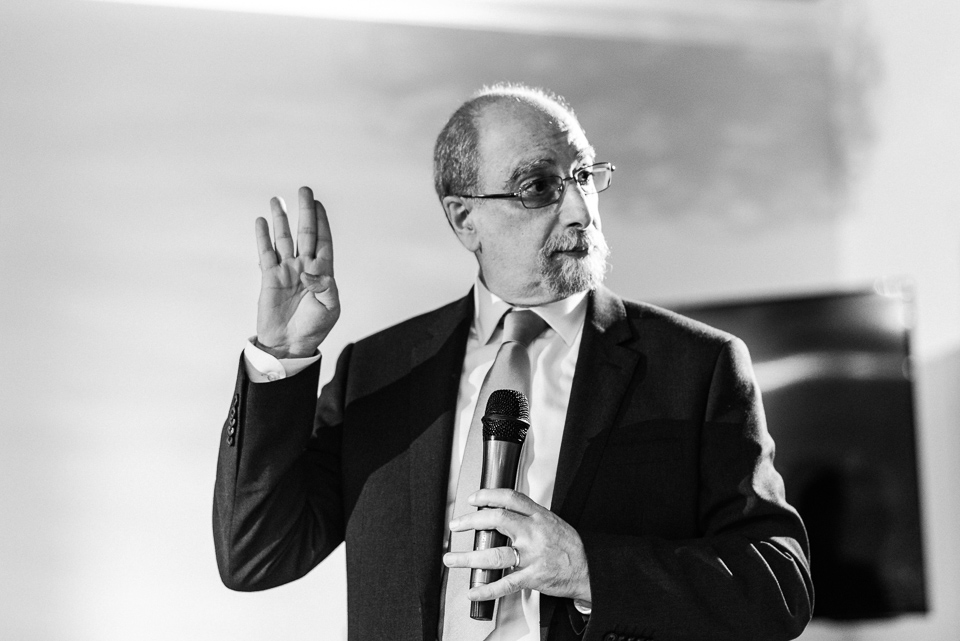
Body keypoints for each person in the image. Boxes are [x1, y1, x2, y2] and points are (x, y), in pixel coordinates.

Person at [213, 84, 813, 641]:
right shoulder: (380, 371)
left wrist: (586, 568)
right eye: (539, 188)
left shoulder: (696, 367)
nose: (580, 209)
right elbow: (256, 555)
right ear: (464, 218)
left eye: (583, 175)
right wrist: (282, 359)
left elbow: (779, 584)